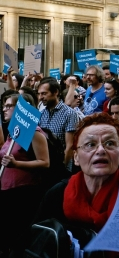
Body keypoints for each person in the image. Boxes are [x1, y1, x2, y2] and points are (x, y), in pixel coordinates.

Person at [33, 113, 119, 257]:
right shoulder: (56, 195)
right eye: (90, 144)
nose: (100, 150)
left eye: (110, 143)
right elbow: (36, 243)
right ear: (76, 157)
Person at [0, 93, 49, 255]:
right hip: (7, 190)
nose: (4, 109)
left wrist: (16, 164)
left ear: (20, 109)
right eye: (4, 106)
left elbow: (45, 162)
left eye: (9, 106)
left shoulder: (34, 132)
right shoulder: (13, 130)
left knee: (16, 237)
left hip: (22, 192)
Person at [38, 77, 79, 167]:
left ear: (56, 92)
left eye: (44, 93)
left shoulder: (69, 113)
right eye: (39, 94)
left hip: (61, 167)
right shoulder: (41, 114)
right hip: (44, 165)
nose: (40, 97)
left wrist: (62, 166)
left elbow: (70, 146)